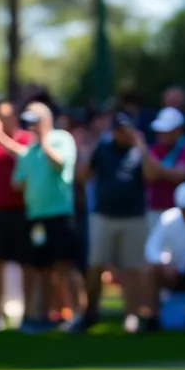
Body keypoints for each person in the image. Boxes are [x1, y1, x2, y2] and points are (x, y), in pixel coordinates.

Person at [77, 111, 148, 332]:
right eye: (118, 130)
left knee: (131, 268)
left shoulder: (139, 151)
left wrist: (141, 146)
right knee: (95, 265)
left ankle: (131, 315)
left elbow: (152, 174)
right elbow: (83, 175)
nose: (121, 134)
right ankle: (90, 312)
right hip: (104, 215)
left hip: (133, 217)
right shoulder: (102, 149)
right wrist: (88, 151)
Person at [9, 102, 78, 329]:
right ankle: (45, 315)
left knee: (64, 265)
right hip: (36, 216)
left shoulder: (62, 139)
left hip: (59, 214)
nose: (31, 127)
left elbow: (60, 165)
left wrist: (44, 140)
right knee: (42, 267)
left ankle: (74, 314)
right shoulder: (28, 150)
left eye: (35, 121)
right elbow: (17, 182)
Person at [0, 102, 34, 330]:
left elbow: (25, 157)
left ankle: (27, 312)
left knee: (26, 264)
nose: (1, 121)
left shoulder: (25, 139)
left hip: (22, 210)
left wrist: (1, 139)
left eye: (4, 117)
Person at [144, 182, 185, 328]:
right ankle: (152, 318)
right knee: (149, 271)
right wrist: (164, 264)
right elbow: (151, 248)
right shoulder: (168, 219)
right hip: (173, 273)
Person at [143, 106, 185, 229]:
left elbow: (179, 175)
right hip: (155, 209)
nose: (162, 134)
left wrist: (157, 168)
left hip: (181, 213)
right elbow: (149, 175)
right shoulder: (155, 149)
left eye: (167, 130)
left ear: (178, 130)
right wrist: (164, 171)